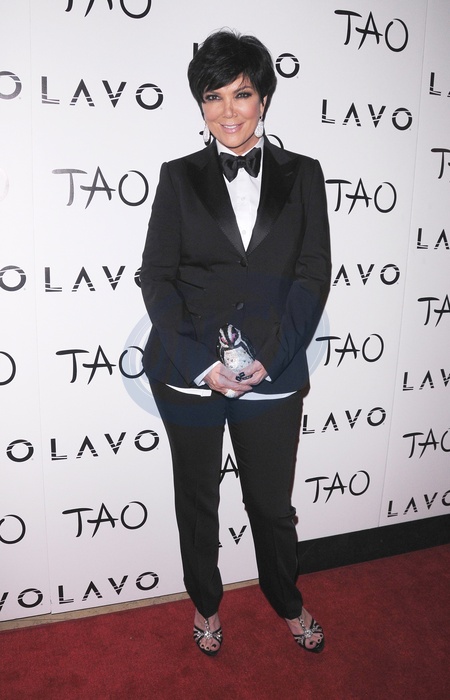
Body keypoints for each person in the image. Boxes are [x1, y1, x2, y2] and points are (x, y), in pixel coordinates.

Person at [140, 29, 331, 656]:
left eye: (241, 94)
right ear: (201, 104)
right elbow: (157, 277)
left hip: (274, 371)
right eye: (212, 96)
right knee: (197, 500)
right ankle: (205, 602)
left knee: (272, 505)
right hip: (188, 373)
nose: (227, 111)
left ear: (264, 99)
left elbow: (312, 275)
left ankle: (286, 599)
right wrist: (202, 364)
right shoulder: (177, 177)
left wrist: (271, 359)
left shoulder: (304, 175)